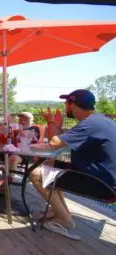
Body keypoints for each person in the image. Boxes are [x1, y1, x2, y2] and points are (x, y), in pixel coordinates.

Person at [30, 89, 116, 237]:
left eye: (66, 103)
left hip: (101, 185)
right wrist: (57, 127)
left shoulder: (88, 125)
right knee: (50, 165)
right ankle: (61, 210)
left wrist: (50, 122)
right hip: (104, 178)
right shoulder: (101, 120)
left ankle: (65, 220)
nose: (64, 107)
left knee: (36, 173)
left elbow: (53, 142)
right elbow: (62, 139)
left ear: (73, 104)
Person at [0, 112, 40, 179]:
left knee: (13, 159)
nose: (23, 121)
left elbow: (29, 134)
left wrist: (16, 129)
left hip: (23, 154)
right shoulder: (14, 128)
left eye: (26, 120)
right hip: (6, 151)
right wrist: (6, 122)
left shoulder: (34, 128)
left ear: (31, 121)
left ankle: (8, 181)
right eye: (21, 119)